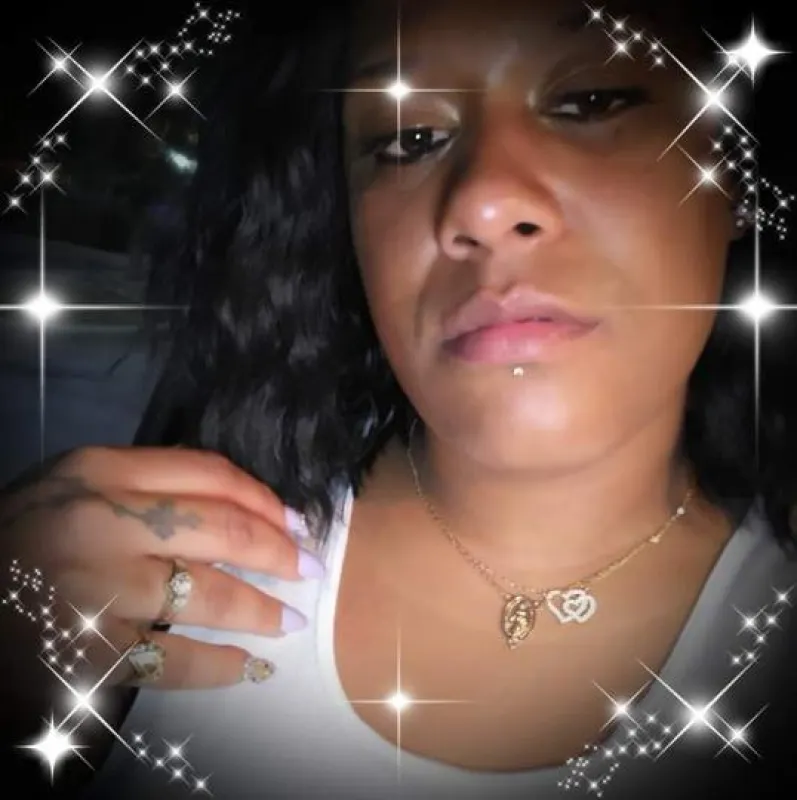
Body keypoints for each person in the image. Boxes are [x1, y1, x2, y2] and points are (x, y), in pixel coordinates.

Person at [1, 0, 796, 798]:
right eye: (408, 139)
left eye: (591, 100)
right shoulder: (151, 557)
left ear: (734, 169)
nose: (483, 202)